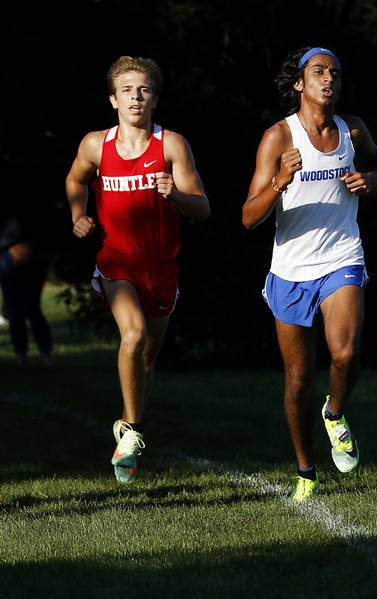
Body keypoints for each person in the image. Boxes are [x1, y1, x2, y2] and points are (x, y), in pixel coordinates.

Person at [242, 47, 377, 502]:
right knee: (298, 381)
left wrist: (372, 180)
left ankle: (336, 412)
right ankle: (306, 470)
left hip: (342, 256)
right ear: (299, 84)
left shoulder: (353, 130)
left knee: (345, 354)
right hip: (290, 270)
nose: (329, 80)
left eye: (336, 75)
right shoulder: (277, 139)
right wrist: (279, 183)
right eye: (319, 73)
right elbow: (248, 217)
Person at [66, 56, 210, 482]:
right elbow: (75, 180)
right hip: (117, 259)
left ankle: (131, 427)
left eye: (144, 89)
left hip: (162, 265)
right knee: (133, 336)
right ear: (113, 99)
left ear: (155, 98)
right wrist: (79, 214)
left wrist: (175, 196)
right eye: (127, 90)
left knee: (146, 360)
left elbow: (202, 208)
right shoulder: (97, 145)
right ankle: (130, 432)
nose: (136, 96)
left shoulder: (171, 145)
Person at [0, 214, 53, 366]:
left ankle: (26, 354)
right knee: (26, 308)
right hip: (21, 249)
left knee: (22, 307)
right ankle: (37, 353)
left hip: (17, 250)